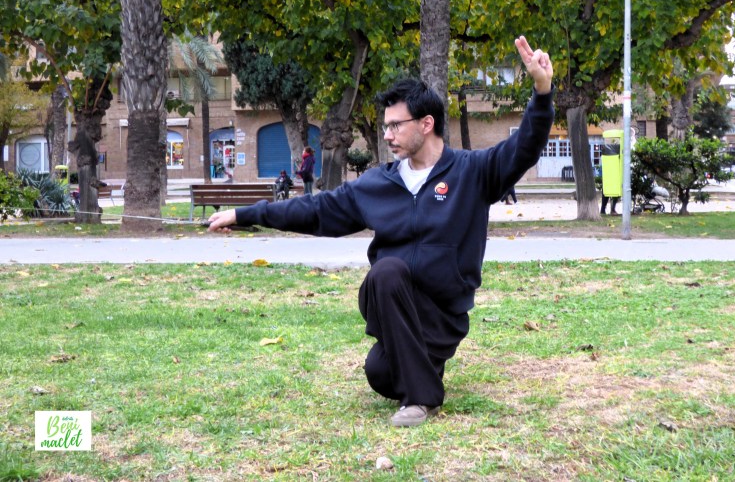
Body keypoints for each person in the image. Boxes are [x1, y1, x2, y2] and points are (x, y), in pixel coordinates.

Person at [208, 36, 554, 427]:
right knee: (385, 293)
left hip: (442, 314)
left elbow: (524, 148)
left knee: (380, 368)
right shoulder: (378, 184)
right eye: (384, 126)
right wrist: (246, 213)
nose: (386, 134)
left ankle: (420, 396)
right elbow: (316, 209)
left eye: (395, 125)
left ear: (426, 123)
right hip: (391, 303)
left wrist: (542, 91)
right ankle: (421, 390)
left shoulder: (473, 172)